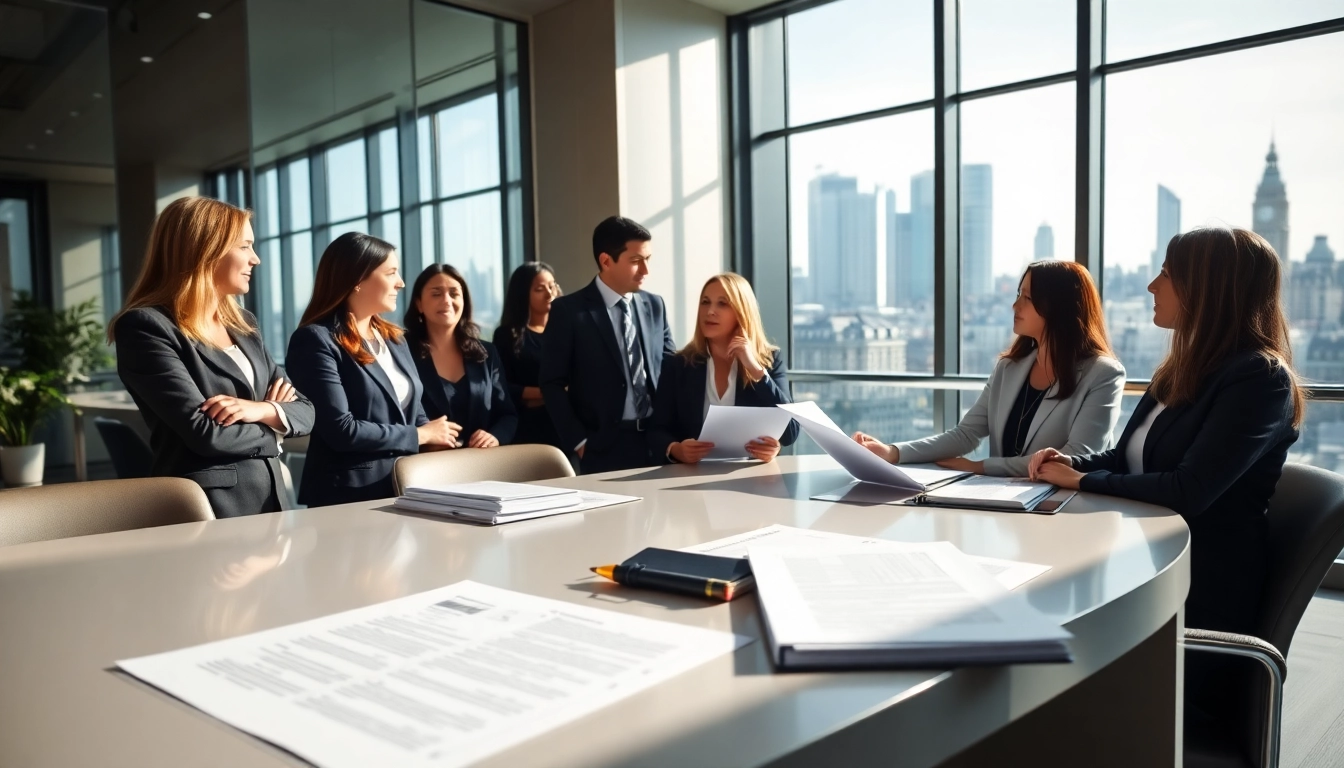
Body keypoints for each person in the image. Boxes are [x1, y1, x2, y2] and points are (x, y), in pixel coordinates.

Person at [1027, 228, 1303, 731]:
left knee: (1030, 671)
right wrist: (1073, 463)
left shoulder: (1259, 379)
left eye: (1167, 275)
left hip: (1194, 601)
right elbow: (1129, 458)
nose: (1152, 286)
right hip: (1143, 567)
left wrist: (1080, 483)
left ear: (1207, 287)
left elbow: (1188, 490)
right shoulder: (1181, 370)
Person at [110, 196, 314, 518]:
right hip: (206, 507)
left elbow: (305, 410)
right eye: (244, 246)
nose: (256, 259)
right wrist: (276, 425)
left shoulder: (244, 325)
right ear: (205, 250)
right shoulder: (146, 327)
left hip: (271, 500)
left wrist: (260, 409)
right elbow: (207, 434)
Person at [853, 260, 1124, 476]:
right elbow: (966, 434)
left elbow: (1076, 456)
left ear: (1057, 308)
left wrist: (980, 468)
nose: (1015, 305)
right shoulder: (1008, 368)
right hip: (1003, 505)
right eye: (1018, 294)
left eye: (1027, 298)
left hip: (1066, 507)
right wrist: (893, 452)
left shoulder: (1103, 374)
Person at [286, 233, 456, 506]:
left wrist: (438, 435)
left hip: (406, 486)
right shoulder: (315, 340)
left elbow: (412, 411)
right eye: (391, 273)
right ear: (356, 280)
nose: (401, 282)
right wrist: (419, 435)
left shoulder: (395, 339)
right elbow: (341, 429)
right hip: (349, 497)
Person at [540, 216, 675, 474]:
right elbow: (551, 383)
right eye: (636, 261)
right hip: (602, 448)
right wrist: (579, 441)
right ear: (606, 261)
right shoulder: (569, 311)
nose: (646, 270)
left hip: (656, 442)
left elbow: (671, 367)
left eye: (648, 259)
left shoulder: (655, 305)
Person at [649, 273, 799, 464]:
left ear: (742, 312)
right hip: (690, 475)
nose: (710, 311)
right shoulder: (678, 363)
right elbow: (656, 430)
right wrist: (676, 449)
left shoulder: (769, 361)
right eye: (705, 302)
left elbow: (791, 432)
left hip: (747, 475)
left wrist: (754, 369)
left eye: (722, 304)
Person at [404, 264, 517, 448]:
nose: (447, 300)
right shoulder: (402, 353)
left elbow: (507, 414)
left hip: (480, 459)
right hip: (426, 461)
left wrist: (495, 436)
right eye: (436, 294)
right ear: (419, 304)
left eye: (454, 293)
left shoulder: (486, 353)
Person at [492, 262, 563, 449]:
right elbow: (501, 387)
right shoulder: (507, 335)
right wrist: (548, 393)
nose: (549, 294)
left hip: (567, 424)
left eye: (552, 286)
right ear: (522, 294)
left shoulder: (566, 330)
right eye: (540, 289)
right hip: (528, 428)